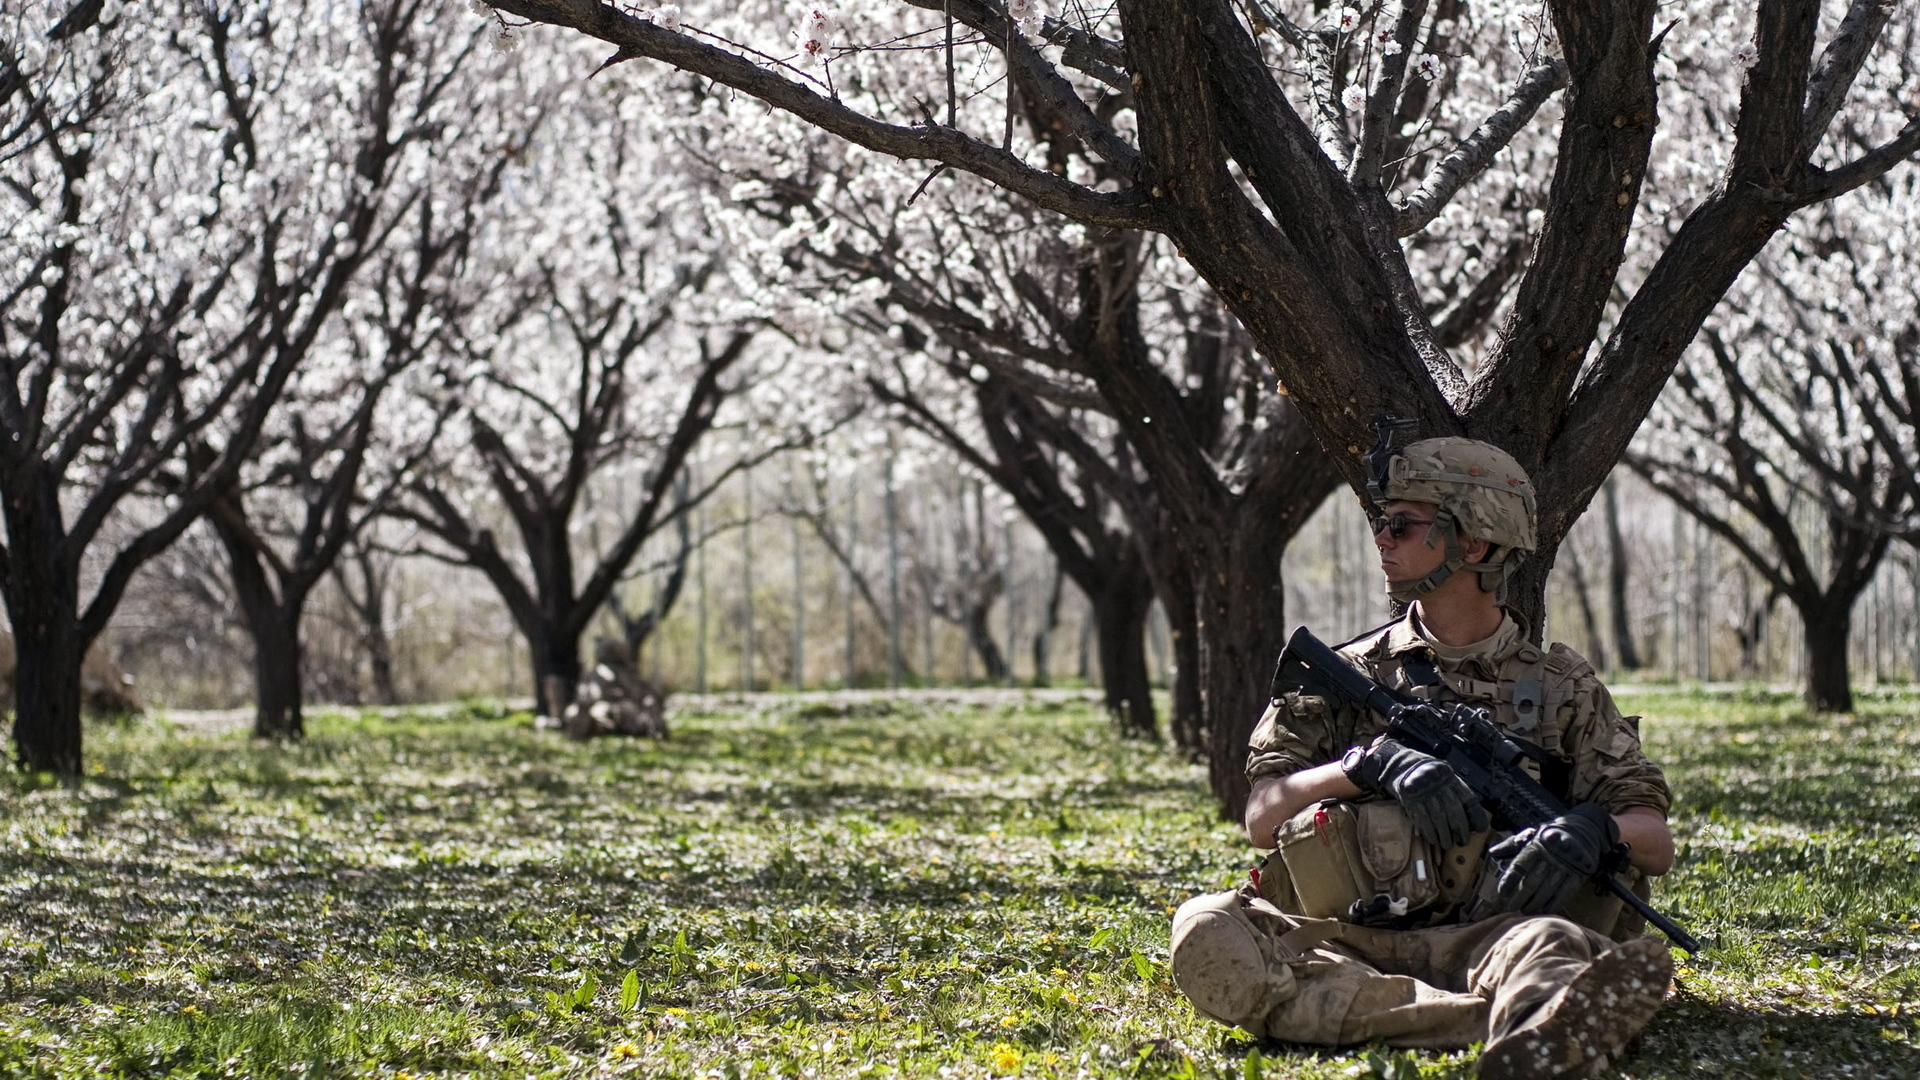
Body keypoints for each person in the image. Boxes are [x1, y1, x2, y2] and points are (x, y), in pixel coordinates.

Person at [1169, 434, 1678, 1080]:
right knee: (1207, 927)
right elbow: (1262, 818)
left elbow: (1655, 841)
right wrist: (1365, 766)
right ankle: (1508, 1025)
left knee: (1550, 948)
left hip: (1496, 940)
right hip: (1348, 939)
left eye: (1402, 525)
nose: (1382, 537)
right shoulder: (1346, 673)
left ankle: (1516, 1015)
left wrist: (1593, 829)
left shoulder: (1560, 690)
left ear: (1474, 543)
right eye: (1382, 523)